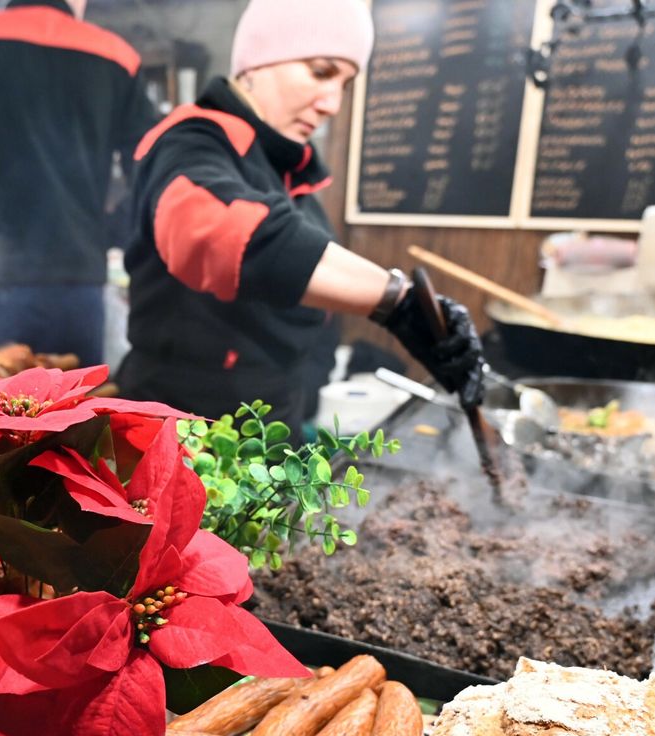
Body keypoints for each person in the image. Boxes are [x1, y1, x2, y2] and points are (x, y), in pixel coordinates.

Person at [117, 0, 486, 438]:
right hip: (178, 446)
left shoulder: (292, 175)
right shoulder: (190, 142)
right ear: (256, 62)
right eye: (321, 71)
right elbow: (216, 233)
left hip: (276, 447)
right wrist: (398, 303)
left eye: (346, 84)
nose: (332, 103)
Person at [0, 0, 158, 367]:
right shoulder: (117, 56)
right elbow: (154, 169)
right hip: (78, 284)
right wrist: (114, 230)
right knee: (77, 418)